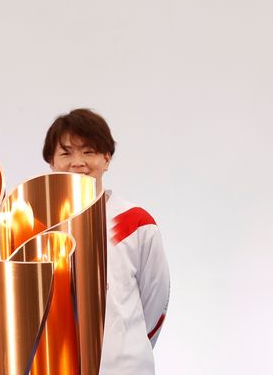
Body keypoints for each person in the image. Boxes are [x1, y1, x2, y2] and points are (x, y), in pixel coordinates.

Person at [42, 108, 170, 374]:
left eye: (88, 151)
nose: (78, 162)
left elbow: (155, 301)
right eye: (66, 153)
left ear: (106, 159)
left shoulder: (135, 222)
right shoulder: (32, 228)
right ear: (52, 162)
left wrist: (126, 344)